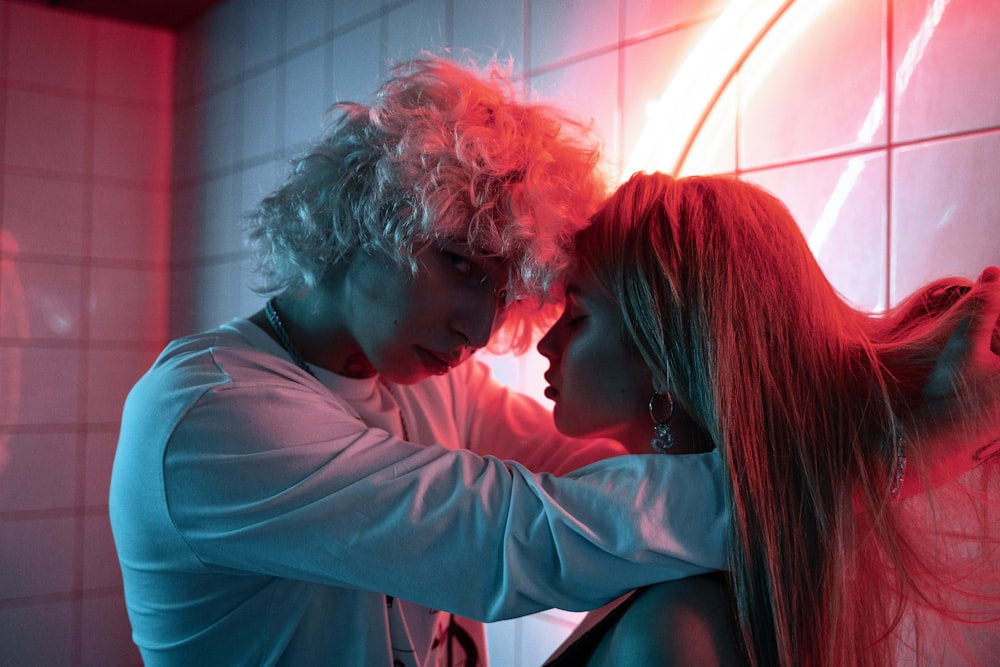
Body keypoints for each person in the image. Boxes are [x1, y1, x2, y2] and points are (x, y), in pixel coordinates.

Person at [108, 58, 731, 666]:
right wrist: (786, 483)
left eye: (504, 290)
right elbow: (508, 539)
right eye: (461, 264)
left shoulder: (437, 386)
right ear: (363, 217)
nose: (481, 329)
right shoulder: (209, 412)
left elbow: (589, 469)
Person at [538, 172, 1000, 666]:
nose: (547, 343)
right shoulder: (675, 576)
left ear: (663, 356)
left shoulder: (670, 634)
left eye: (577, 316)